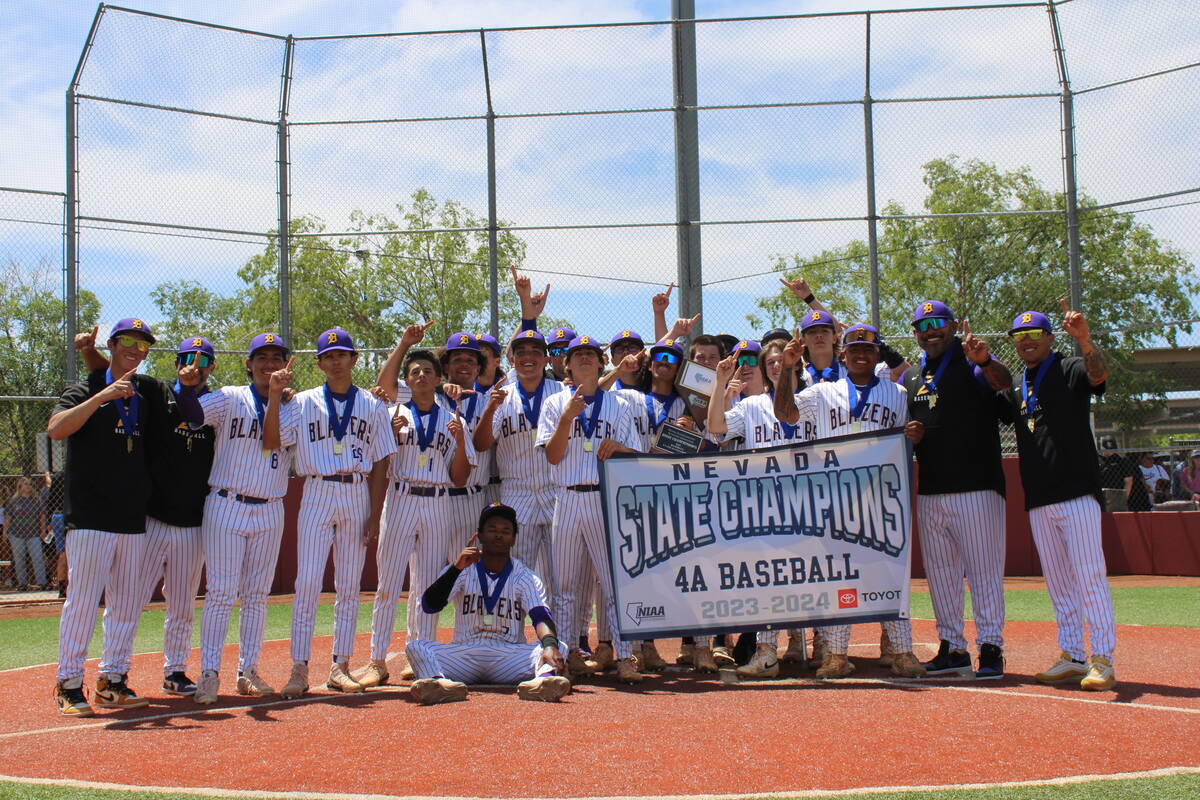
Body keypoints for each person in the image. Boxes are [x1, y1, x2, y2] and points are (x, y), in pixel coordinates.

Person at [47, 317, 199, 717]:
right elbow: (56, 429)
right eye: (128, 342)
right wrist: (101, 396)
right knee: (81, 602)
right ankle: (67, 683)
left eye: (143, 345)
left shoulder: (147, 391)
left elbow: (174, 402)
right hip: (91, 516)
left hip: (134, 520)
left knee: (127, 604)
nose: (135, 349)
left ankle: (112, 680)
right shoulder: (85, 388)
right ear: (112, 344)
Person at [774, 324, 927, 679]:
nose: (861, 354)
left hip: (883, 498)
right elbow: (785, 414)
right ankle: (836, 655)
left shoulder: (898, 393)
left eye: (868, 350)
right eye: (855, 349)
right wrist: (786, 369)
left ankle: (902, 650)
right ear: (843, 355)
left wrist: (914, 436)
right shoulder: (822, 393)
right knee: (837, 574)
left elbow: (909, 438)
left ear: (877, 357)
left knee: (890, 573)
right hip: (835, 499)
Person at [78, 334, 219, 696]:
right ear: (176, 361)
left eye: (204, 360)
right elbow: (112, 372)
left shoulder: (219, 404)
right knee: (130, 600)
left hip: (193, 522)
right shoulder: (156, 393)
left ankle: (175, 672)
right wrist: (89, 350)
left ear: (212, 367)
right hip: (152, 518)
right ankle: (113, 672)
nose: (195, 365)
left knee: (183, 605)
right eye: (188, 357)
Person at [1002, 304, 1117, 691]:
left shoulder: (1068, 368)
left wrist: (1084, 339)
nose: (1027, 340)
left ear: (1050, 337)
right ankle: (1071, 654)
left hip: (1076, 492)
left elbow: (1099, 376)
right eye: (1020, 336)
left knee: (1089, 577)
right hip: (1039, 497)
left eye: (1034, 333)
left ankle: (1102, 657)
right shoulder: (1020, 384)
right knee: (1058, 582)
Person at [281, 329, 396, 699]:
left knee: (348, 584)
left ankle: (340, 665)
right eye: (328, 356)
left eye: (342, 354)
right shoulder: (300, 402)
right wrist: (277, 399)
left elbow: (381, 462)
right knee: (308, 582)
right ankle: (299, 667)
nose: (335, 361)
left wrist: (375, 512)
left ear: (355, 359)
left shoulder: (373, 405)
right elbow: (277, 440)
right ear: (319, 363)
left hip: (356, 490)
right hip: (316, 487)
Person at [352, 348, 475, 689]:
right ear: (407, 380)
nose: (421, 376)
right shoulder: (392, 414)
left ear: (439, 380)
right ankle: (377, 659)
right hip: (402, 495)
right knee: (388, 583)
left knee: (427, 584)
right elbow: (377, 464)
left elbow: (461, 477)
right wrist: (389, 434)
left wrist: (462, 442)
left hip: (437, 499)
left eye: (427, 372)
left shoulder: (454, 420)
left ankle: (421, 655)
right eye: (415, 372)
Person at [902, 301, 1012, 679]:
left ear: (951, 327)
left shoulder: (973, 363)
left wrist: (985, 360)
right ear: (915, 332)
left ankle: (991, 647)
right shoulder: (913, 377)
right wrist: (912, 436)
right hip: (931, 488)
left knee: (983, 572)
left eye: (938, 323)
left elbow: (1004, 383)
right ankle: (952, 647)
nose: (931, 330)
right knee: (941, 575)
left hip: (977, 486)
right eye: (922, 325)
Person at [192, 333, 299, 704]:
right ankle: (208, 673)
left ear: (286, 364)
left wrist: (273, 397)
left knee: (256, 595)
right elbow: (191, 415)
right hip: (226, 502)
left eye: (276, 357)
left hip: (270, 505)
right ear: (248, 364)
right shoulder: (229, 396)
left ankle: (248, 670)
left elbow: (272, 442)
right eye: (261, 358)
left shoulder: (293, 406)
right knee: (221, 593)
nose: (269, 364)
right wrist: (189, 385)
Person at [537, 334, 645, 683]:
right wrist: (567, 418)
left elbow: (638, 454)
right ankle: (567, 653)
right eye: (577, 355)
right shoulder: (555, 403)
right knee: (565, 585)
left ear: (602, 363)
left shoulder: (619, 405)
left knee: (613, 583)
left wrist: (621, 448)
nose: (584, 359)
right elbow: (552, 456)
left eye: (590, 354)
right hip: (566, 496)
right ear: (566, 364)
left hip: (603, 497)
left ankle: (626, 655)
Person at [406, 503, 571, 704]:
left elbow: (541, 617)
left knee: (558, 645)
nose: (498, 535)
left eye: (506, 531)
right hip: (466, 652)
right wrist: (456, 569)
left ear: (513, 539)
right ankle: (439, 685)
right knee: (416, 646)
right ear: (479, 536)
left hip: (508, 655)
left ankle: (544, 683)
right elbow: (430, 605)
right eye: (492, 530)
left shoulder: (525, 577)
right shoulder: (462, 568)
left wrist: (549, 645)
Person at [5, 476, 47, 591]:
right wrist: (5, 532)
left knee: (38, 558)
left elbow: (42, 516)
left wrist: (43, 531)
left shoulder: (36, 500)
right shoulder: (13, 501)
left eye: (30, 484)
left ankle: (41, 582)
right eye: (26, 484)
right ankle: (22, 583)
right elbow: (8, 517)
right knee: (19, 559)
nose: (28, 486)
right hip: (16, 534)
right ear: (20, 487)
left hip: (33, 534)